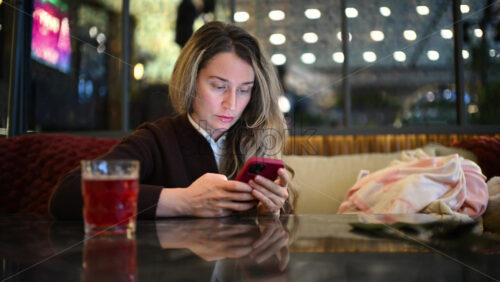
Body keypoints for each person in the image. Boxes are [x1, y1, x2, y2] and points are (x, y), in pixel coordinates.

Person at [49, 21, 296, 219]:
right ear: (190, 81)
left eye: (244, 90)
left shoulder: (256, 142)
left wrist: (270, 214)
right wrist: (183, 201)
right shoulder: (157, 140)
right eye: (219, 87)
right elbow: (68, 194)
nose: (231, 104)